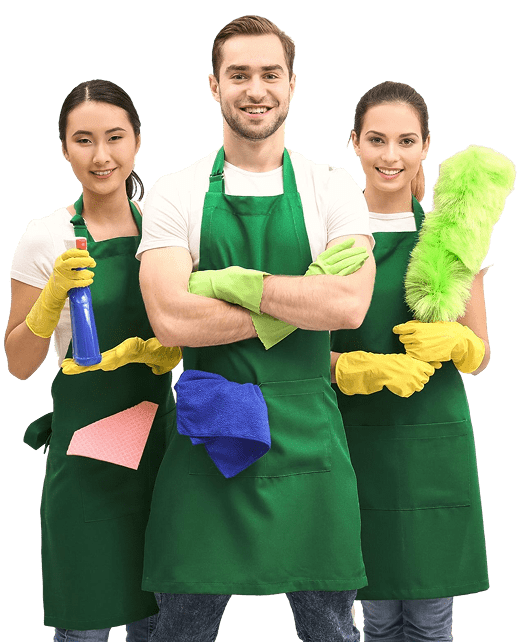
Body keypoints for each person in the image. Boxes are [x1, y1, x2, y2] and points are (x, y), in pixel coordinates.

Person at [136, 15, 376, 642]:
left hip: (309, 441)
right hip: (208, 435)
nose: (255, 89)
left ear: (292, 84)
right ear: (214, 86)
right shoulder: (176, 192)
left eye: (270, 74)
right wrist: (297, 301)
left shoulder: (332, 187)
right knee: (182, 627)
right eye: (238, 74)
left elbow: (348, 305)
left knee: (330, 628)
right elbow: (170, 317)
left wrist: (229, 283)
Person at [5, 79, 181, 641]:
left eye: (114, 137)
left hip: (161, 455)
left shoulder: (166, 229)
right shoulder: (45, 237)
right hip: (87, 460)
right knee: (85, 626)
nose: (101, 155)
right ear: (64, 148)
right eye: (83, 140)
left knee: (159, 624)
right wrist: (49, 302)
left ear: (137, 141)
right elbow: (19, 363)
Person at [330, 81, 490, 642]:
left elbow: (479, 354)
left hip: (432, 445)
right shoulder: (329, 238)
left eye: (405, 141)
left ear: (426, 146)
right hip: (356, 443)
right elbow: (296, 355)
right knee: (375, 619)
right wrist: (351, 366)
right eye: (376, 139)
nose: (390, 156)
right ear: (354, 143)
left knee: (429, 622)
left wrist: (458, 343)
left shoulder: (449, 241)